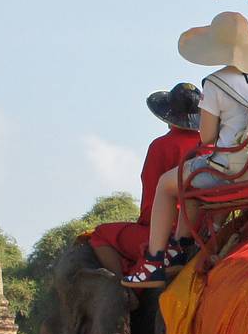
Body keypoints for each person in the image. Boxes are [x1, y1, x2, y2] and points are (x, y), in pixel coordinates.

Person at [123, 12, 248, 288]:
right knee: (189, 178)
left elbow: (207, 137)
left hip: (233, 172)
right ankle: (181, 244)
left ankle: (154, 262)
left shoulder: (214, 83)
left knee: (168, 183)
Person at [87, 84, 203, 274]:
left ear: (169, 114)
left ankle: (123, 291)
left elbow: (150, 206)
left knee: (100, 234)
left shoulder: (160, 146)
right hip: (204, 229)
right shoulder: (209, 145)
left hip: (168, 233)